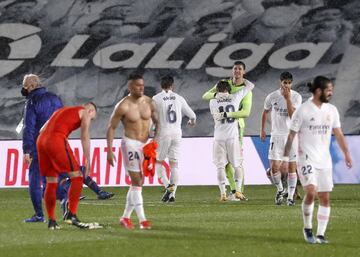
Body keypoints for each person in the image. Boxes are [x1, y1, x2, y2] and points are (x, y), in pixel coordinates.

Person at [282, 75, 352, 244]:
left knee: (325, 197)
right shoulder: (303, 110)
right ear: (318, 91)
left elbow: (339, 134)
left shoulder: (332, 110)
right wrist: (285, 158)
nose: (330, 93)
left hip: (324, 160)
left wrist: (347, 154)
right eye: (328, 90)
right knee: (311, 191)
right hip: (306, 158)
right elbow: (291, 135)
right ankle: (307, 228)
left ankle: (320, 234)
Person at [106, 73, 159, 230]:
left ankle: (125, 217)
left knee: (139, 181)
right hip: (130, 144)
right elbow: (111, 127)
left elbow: (157, 122)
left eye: (142, 85)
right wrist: (109, 150)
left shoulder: (149, 102)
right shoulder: (123, 105)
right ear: (130, 87)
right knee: (137, 181)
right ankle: (143, 220)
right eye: (137, 85)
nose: (141, 88)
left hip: (145, 145)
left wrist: (155, 140)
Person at [37, 102, 99, 229]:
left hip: (41, 141)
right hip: (56, 140)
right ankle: (72, 215)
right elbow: (85, 136)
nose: (90, 120)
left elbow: (41, 130)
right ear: (91, 111)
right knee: (77, 176)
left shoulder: (62, 110)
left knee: (51, 181)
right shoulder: (85, 112)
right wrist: (88, 159)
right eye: (92, 118)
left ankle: (52, 221)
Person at [202, 61, 253, 201]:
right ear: (232, 70)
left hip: (235, 129)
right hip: (231, 132)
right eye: (235, 68)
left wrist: (219, 101)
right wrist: (222, 97)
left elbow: (246, 112)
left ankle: (235, 192)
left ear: (243, 71)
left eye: (240, 69)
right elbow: (207, 94)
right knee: (234, 163)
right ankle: (234, 190)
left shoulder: (214, 101)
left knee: (225, 164)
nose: (237, 71)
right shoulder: (235, 95)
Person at [21, 74, 63, 223]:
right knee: (51, 179)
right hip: (57, 144)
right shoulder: (55, 98)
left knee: (34, 179)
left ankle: (39, 215)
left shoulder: (32, 101)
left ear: (31, 86)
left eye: (25, 85)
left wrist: (27, 150)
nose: (23, 88)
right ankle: (62, 205)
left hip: (40, 146)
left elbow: (29, 128)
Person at [260, 72, 302, 206]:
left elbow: (292, 116)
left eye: (289, 83)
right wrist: (262, 130)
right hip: (276, 136)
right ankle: (280, 190)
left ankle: (290, 197)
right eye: (285, 83)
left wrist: (288, 98)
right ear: (280, 82)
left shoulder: (296, 96)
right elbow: (265, 111)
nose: (287, 85)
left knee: (292, 168)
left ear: (292, 83)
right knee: (274, 168)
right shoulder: (272, 96)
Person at [152, 75, 196, 202]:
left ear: (161, 85)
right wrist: (192, 121)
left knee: (158, 162)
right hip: (177, 134)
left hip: (163, 134)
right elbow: (192, 115)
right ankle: (172, 194)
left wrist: (149, 130)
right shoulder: (179, 98)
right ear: (172, 85)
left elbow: (151, 118)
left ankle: (167, 187)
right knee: (174, 165)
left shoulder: (156, 99)